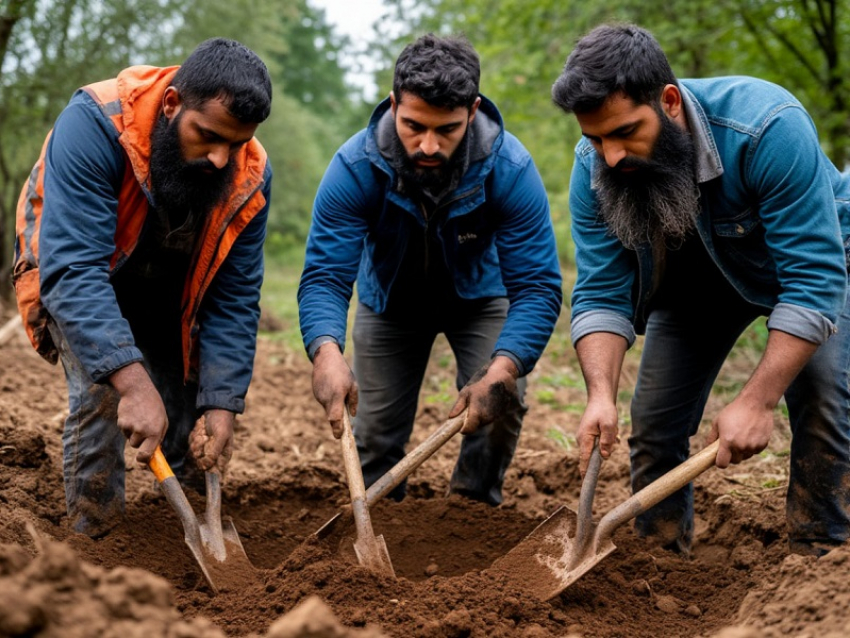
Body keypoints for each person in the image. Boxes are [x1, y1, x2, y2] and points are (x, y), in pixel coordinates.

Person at [552, 23, 850, 556]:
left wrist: (757, 401)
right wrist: (600, 394)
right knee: (654, 422)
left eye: (624, 132)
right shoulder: (594, 168)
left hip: (814, 265)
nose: (612, 156)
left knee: (824, 394)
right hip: (698, 284)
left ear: (668, 102)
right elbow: (600, 292)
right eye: (596, 139)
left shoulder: (765, 126)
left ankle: (821, 558)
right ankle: (658, 562)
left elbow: (812, 279)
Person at [12, 38, 273, 537]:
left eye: (235, 144)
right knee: (104, 391)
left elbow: (233, 297)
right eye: (208, 136)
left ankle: (194, 532)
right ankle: (97, 541)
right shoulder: (96, 124)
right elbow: (73, 268)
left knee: (194, 408)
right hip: (81, 270)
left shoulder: (249, 175)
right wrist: (130, 383)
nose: (220, 159)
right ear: (173, 104)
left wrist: (222, 403)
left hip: (168, 283)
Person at [298, 33, 562, 505]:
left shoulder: (510, 168)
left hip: (481, 298)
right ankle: (382, 519)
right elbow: (325, 277)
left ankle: (470, 511)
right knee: (375, 431)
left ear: (473, 111)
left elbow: (538, 287)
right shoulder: (355, 167)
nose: (428, 145)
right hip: (389, 303)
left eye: (448, 130)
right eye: (413, 125)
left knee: (501, 402)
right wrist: (325, 351)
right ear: (395, 102)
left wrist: (503, 368)